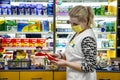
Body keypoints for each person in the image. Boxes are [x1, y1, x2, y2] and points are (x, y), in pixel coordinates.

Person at [51, 5, 97, 80]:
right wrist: (60, 55)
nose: (72, 26)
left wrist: (66, 63)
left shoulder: (88, 38)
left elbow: (90, 66)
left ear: (85, 21)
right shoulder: (78, 32)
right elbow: (75, 52)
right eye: (70, 23)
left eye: (75, 24)